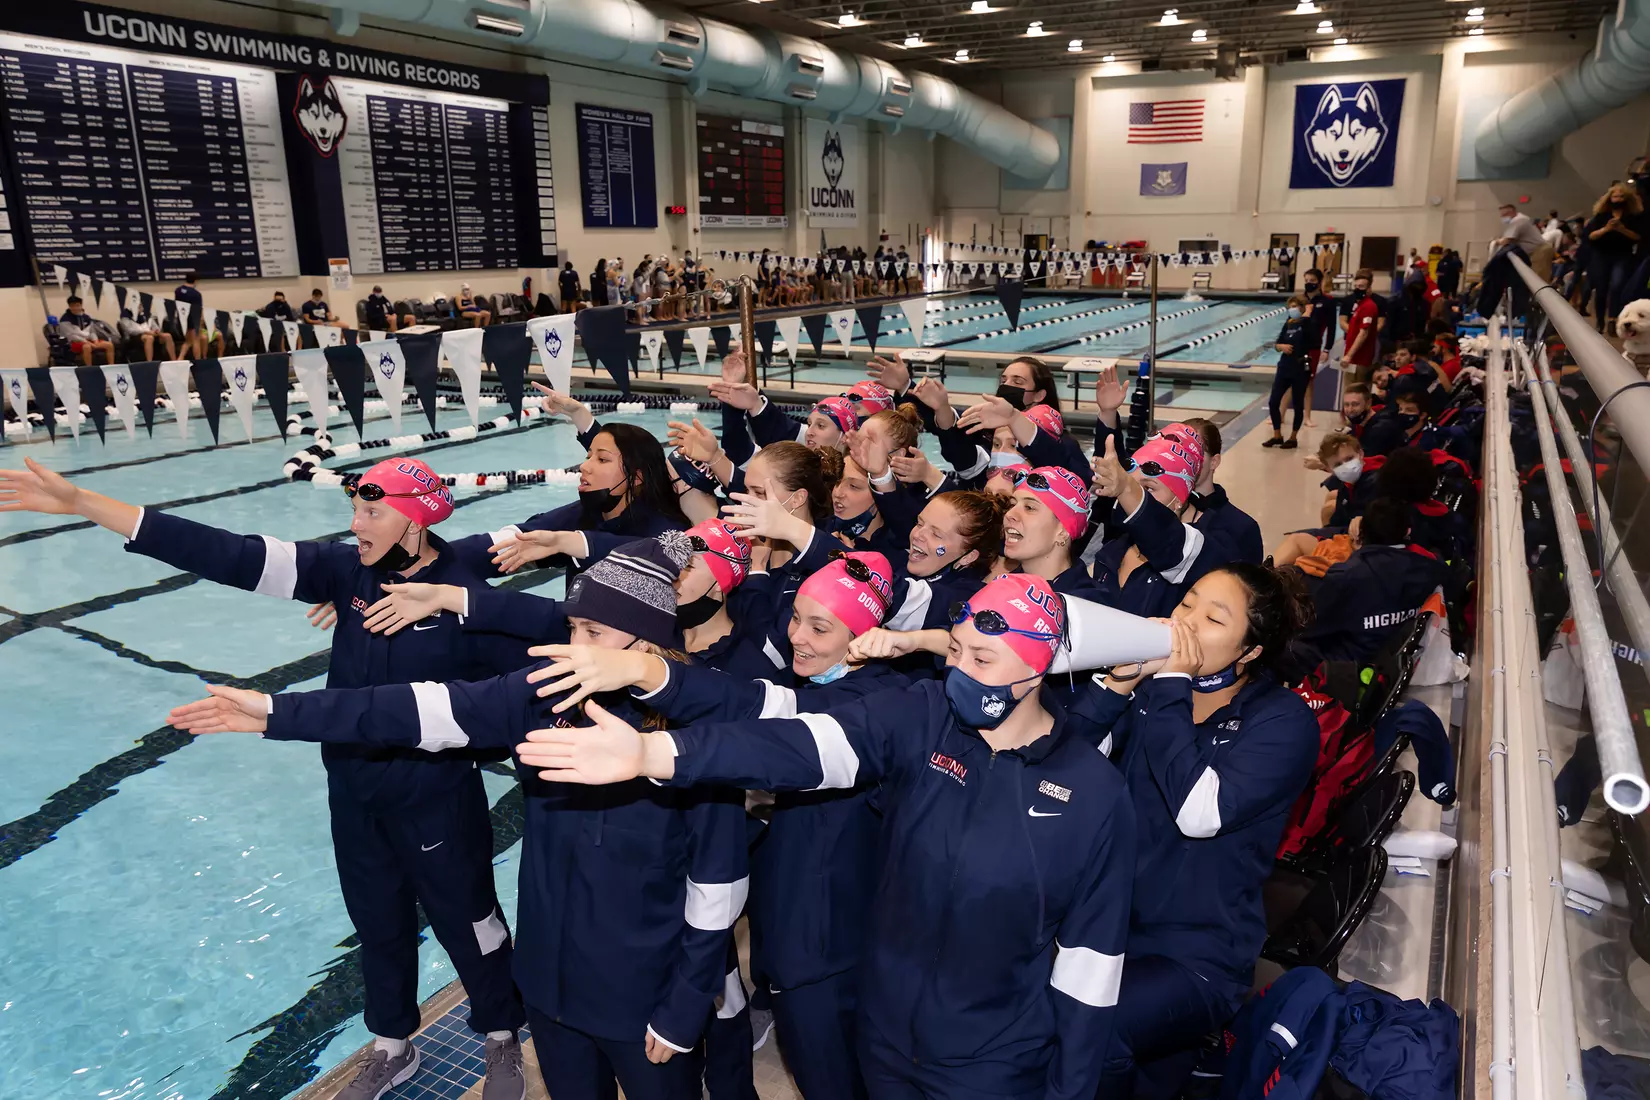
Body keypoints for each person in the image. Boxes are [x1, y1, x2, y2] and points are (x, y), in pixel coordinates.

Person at [0, 455, 532, 1100]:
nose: (355, 524)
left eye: (371, 511)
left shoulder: (466, 596)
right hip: (355, 793)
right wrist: (85, 501)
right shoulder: (347, 573)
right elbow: (227, 554)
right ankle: (394, 1044)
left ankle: (503, 1034)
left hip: (436, 797)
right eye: (355, 510)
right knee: (376, 923)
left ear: (415, 520)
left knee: (470, 920)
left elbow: (523, 697)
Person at [509, 572, 1137, 1100]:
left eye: (982, 660)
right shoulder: (921, 717)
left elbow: (1091, 972)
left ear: (1038, 670)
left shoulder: (1092, 793)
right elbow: (805, 747)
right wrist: (656, 752)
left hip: (996, 1060)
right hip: (884, 1034)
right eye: (956, 652)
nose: (960, 674)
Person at [170, 535, 750, 1100]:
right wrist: (277, 711)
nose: (572, 644)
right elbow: (413, 707)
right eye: (572, 627)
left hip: (644, 995)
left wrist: (682, 1008)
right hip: (550, 987)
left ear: (646, 643)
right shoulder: (545, 694)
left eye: (592, 632)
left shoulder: (699, 733)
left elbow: (717, 887)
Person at [1071, 563, 1318, 1096]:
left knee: (1092, 1030)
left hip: (1195, 954)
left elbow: (1198, 813)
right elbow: (1067, 765)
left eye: (1213, 618)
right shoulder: (1150, 693)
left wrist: (1171, 686)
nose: (1186, 621)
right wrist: (1115, 685)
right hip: (1106, 921)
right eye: (1188, 603)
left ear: (1248, 652)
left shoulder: (1281, 721)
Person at [451, 418, 689, 580]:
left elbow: (657, 553)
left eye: (602, 460)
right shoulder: (585, 511)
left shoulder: (667, 529)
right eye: (588, 457)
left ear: (637, 477)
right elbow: (518, 538)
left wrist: (570, 542)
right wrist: (434, 556)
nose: (584, 467)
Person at [1291, 497, 1448, 668]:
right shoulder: (1429, 568)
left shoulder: (1345, 577)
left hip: (1349, 666)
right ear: (1407, 532)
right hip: (1397, 657)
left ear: (1361, 533)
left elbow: (1307, 624)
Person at [1181, 418, 1263, 565]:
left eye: (1192, 454)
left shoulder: (1242, 528)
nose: (1183, 462)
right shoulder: (1159, 512)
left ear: (1214, 461)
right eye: (1178, 453)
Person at [1584, 183, 1645, 334]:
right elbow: (1591, 236)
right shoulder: (1601, 216)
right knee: (1601, 288)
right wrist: (1607, 228)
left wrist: (1622, 229)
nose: (1618, 199)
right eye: (1615, 196)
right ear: (1609, 198)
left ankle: (1612, 319)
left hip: (1622, 255)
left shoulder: (1632, 217)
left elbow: (1638, 237)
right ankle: (1600, 320)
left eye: (1621, 196)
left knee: (1617, 286)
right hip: (1601, 255)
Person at [1263, 295, 1313, 449]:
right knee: (1273, 402)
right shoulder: (1288, 323)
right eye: (1290, 307)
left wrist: (1305, 320)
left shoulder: (1308, 324)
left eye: (1295, 307)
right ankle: (1277, 435)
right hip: (1284, 366)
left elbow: (1314, 342)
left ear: (1302, 308)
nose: (1292, 310)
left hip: (1300, 368)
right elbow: (1277, 343)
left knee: (1298, 404)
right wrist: (1281, 347)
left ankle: (1293, 437)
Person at [1340, 268, 1383, 381]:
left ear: (1369, 289)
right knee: (1348, 389)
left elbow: (1363, 333)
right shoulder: (1359, 305)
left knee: (1356, 390)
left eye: (1362, 287)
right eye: (1356, 286)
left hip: (1360, 358)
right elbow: (1344, 324)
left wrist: (1349, 355)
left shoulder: (1368, 307)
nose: (1358, 289)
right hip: (1353, 357)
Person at [1495, 203, 1552, 279]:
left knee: (1537, 279)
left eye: (1504, 215)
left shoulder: (1518, 220)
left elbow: (1507, 240)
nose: (1503, 217)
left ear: (1512, 212)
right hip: (1538, 250)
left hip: (1539, 251)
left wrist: (1496, 241)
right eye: (1502, 215)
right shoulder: (1521, 218)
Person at [56, 295, 118, 365]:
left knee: (109, 345)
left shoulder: (86, 317)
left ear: (81, 305)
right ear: (69, 307)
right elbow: (72, 336)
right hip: (73, 342)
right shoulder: (65, 320)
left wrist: (96, 341)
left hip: (88, 340)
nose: (76, 308)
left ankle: (111, 366)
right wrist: (88, 343)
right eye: (73, 306)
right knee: (87, 347)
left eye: (77, 305)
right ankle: (89, 368)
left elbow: (92, 331)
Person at [174, 271, 206, 358]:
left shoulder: (178, 290)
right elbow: (198, 310)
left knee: (188, 342)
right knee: (196, 341)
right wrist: (200, 322)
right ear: (195, 281)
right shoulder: (196, 294)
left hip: (181, 318)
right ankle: (198, 361)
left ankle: (179, 359)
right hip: (192, 319)